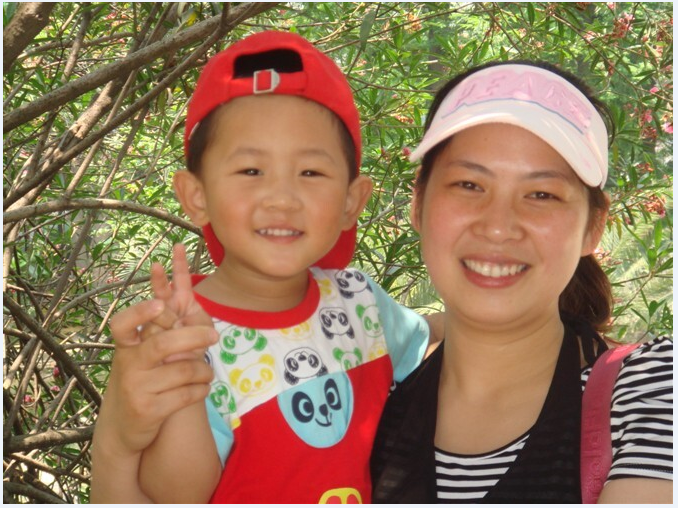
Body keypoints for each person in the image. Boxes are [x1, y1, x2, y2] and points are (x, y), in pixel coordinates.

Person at [90, 31, 432, 504]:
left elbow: (429, 349)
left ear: (352, 202)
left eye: (311, 172)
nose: (281, 198)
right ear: (196, 196)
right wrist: (184, 373)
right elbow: (175, 493)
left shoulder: (360, 301)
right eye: (251, 171)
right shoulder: (187, 334)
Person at [370, 61, 673, 503]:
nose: (498, 226)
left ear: (593, 226)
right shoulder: (350, 400)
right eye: (469, 184)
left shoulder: (653, 392)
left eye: (542, 194)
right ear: (418, 203)